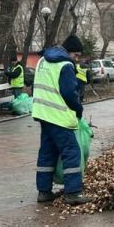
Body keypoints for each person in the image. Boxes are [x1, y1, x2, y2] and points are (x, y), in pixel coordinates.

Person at [33, 34, 91, 206]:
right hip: (58, 116)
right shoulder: (65, 65)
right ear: (69, 51)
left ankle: (44, 191)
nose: (77, 59)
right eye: (76, 55)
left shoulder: (42, 60)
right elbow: (69, 94)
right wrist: (79, 109)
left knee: (47, 152)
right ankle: (72, 193)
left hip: (42, 113)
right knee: (71, 152)